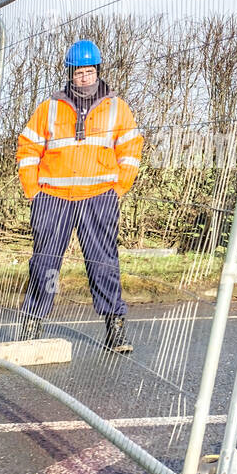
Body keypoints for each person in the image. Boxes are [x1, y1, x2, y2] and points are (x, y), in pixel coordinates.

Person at [15, 39, 143, 353]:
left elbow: (131, 149)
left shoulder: (117, 107)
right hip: (52, 197)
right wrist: (33, 191)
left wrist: (119, 188)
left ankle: (115, 328)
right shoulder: (49, 108)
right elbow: (28, 148)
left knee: (103, 263)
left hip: (99, 196)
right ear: (69, 73)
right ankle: (33, 323)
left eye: (88, 71)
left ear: (97, 71)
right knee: (45, 264)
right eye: (77, 72)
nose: (83, 77)